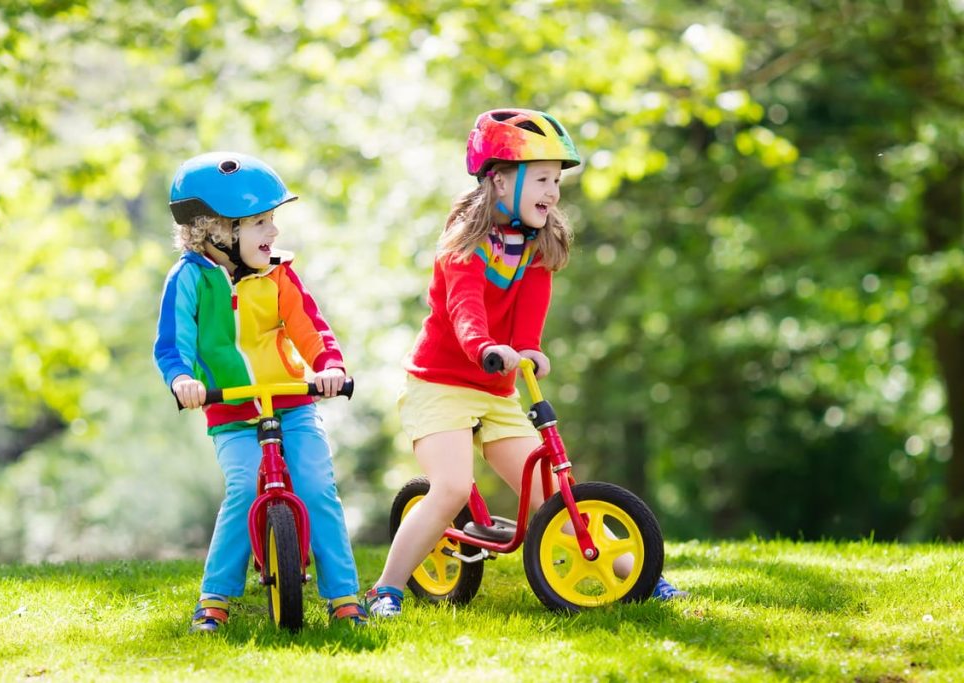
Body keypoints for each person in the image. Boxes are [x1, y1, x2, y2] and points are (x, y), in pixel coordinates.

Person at [365, 109, 687, 618]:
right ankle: (386, 590)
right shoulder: (463, 245)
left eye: (556, 181)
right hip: (441, 381)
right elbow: (463, 308)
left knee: (556, 492)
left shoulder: (538, 243)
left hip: (495, 389)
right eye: (541, 179)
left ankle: (639, 577)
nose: (553, 192)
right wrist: (485, 349)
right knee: (449, 487)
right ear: (497, 180)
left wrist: (527, 349)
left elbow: (529, 315)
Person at [153, 151, 367, 632]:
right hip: (229, 410)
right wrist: (183, 380)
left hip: (291, 399)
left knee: (316, 486)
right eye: (260, 223)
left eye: (272, 221)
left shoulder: (279, 275)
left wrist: (328, 366)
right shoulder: (189, 280)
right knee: (243, 488)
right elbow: (172, 345)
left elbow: (311, 330)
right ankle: (215, 599)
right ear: (216, 231)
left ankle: (344, 598)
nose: (273, 233)